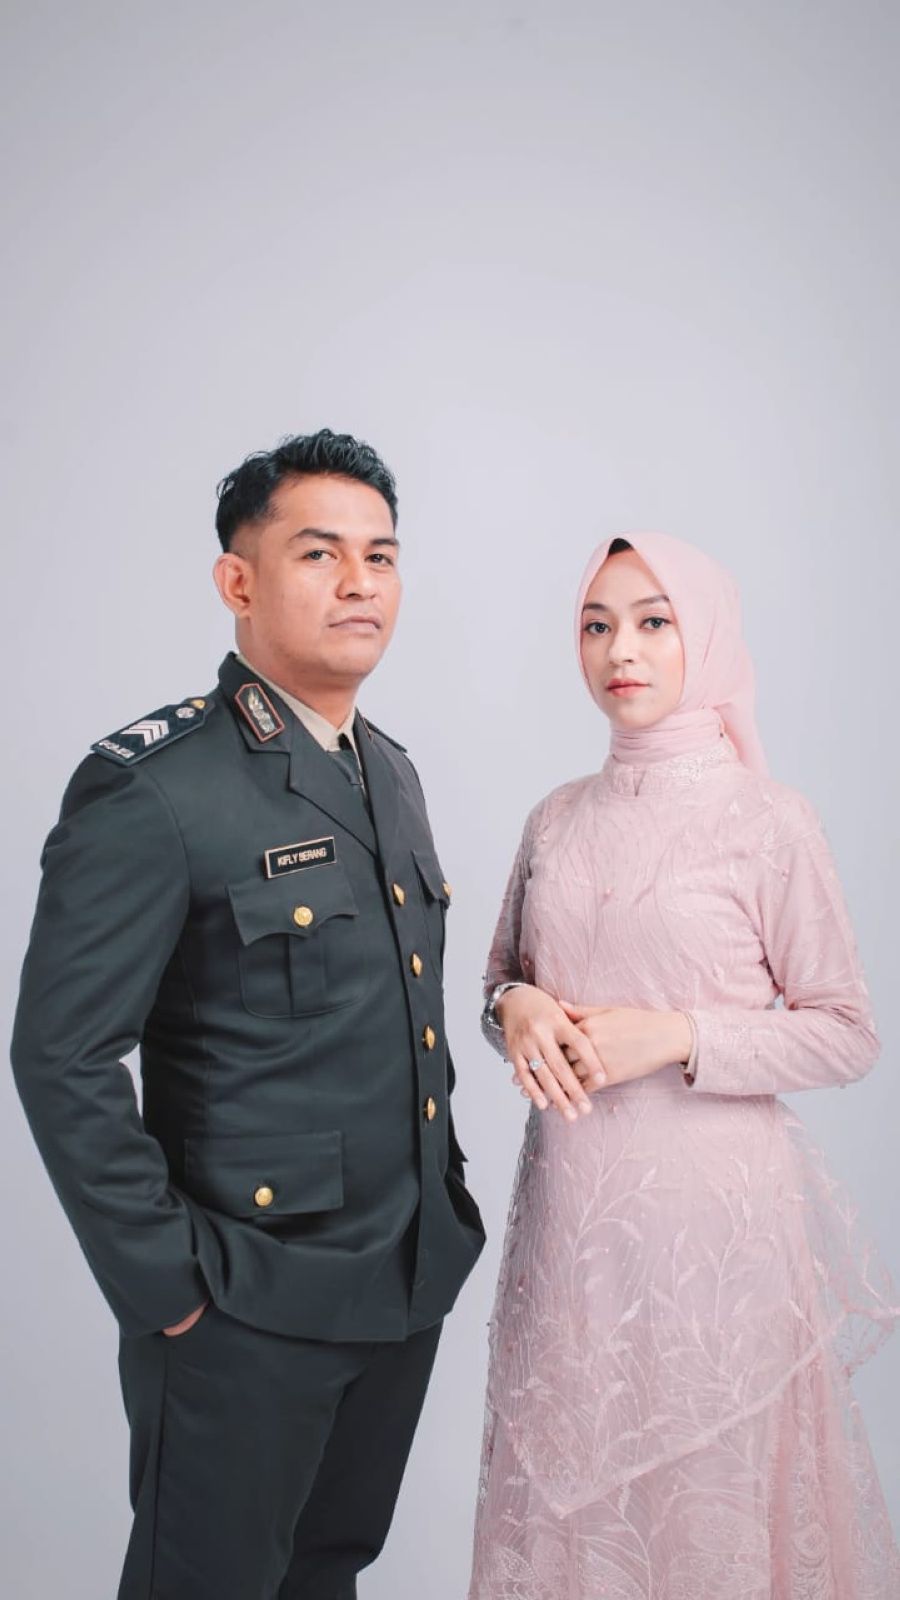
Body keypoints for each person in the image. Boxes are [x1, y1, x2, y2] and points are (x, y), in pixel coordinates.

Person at [11, 428, 484, 1600]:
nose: (359, 581)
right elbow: (60, 1054)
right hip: (243, 1303)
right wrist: (169, 1290)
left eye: (380, 555)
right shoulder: (157, 787)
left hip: (397, 1287)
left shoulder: (388, 769)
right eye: (319, 552)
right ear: (238, 580)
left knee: (325, 1575)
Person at [469, 532, 898, 1598]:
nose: (622, 649)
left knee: (712, 1512)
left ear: (703, 635)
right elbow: (498, 986)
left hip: (718, 1242)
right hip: (571, 1237)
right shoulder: (554, 820)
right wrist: (515, 1005)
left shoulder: (769, 821)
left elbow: (846, 1030)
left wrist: (681, 1036)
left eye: (654, 622)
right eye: (597, 624)